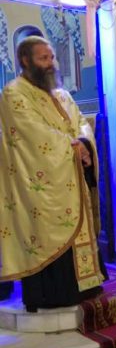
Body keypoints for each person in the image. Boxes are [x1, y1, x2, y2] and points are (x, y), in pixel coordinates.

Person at [0, 36, 106, 311]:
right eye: (43, 58)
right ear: (25, 60)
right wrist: (72, 148)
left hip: (71, 175)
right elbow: (32, 134)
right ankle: (54, 295)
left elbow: (81, 122)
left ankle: (87, 285)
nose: (50, 63)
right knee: (48, 231)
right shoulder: (14, 93)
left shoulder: (61, 93)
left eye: (51, 57)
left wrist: (83, 143)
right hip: (43, 183)